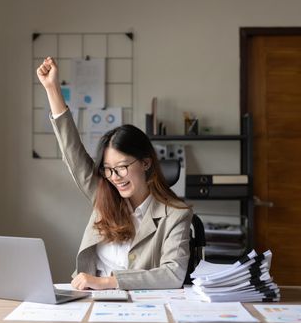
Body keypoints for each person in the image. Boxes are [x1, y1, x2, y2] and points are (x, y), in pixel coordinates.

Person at [37, 57, 192, 290]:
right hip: (88, 299)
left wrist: (107, 282)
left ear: (145, 163)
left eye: (121, 167)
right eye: (108, 169)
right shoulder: (104, 193)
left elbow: (172, 274)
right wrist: (52, 89)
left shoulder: (175, 214)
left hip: (140, 307)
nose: (115, 176)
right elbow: (73, 152)